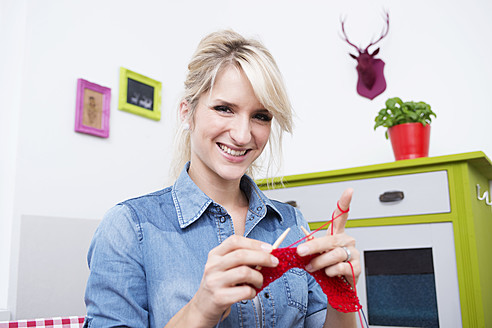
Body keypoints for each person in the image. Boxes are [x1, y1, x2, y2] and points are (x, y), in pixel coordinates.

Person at [83, 29, 360, 328]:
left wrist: (342, 297)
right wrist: (202, 307)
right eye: (224, 109)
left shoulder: (292, 223)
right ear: (187, 113)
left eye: (261, 116)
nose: (242, 135)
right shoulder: (128, 228)